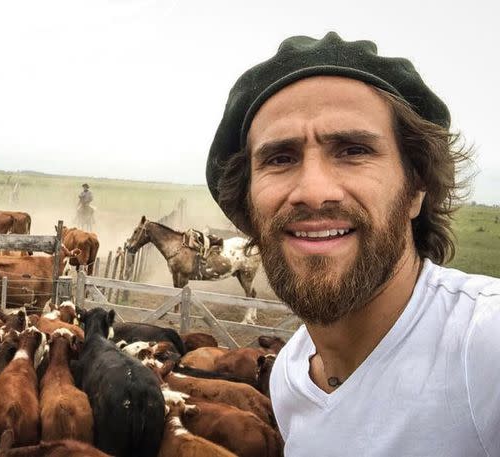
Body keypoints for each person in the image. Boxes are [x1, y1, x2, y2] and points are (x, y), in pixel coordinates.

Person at [205, 32, 499, 456]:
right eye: (280, 158)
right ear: (248, 206)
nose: (313, 190)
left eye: (353, 150)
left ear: (417, 188)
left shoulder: (484, 348)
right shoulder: (290, 376)